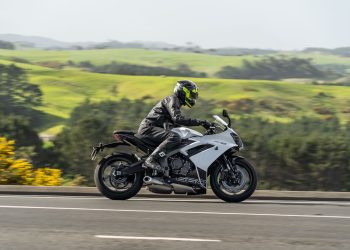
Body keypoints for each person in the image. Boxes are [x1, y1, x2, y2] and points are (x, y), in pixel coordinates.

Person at [137, 80, 213, 173]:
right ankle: (151, 159)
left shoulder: (176, 102)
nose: (193, 98)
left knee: (181, 136)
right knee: (175, 137)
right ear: (184, 91)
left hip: (152, 128)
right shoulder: (173, 99)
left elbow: (176, 123)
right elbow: (178, 118)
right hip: (149, 128)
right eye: (192, 95)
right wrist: (201, 122)